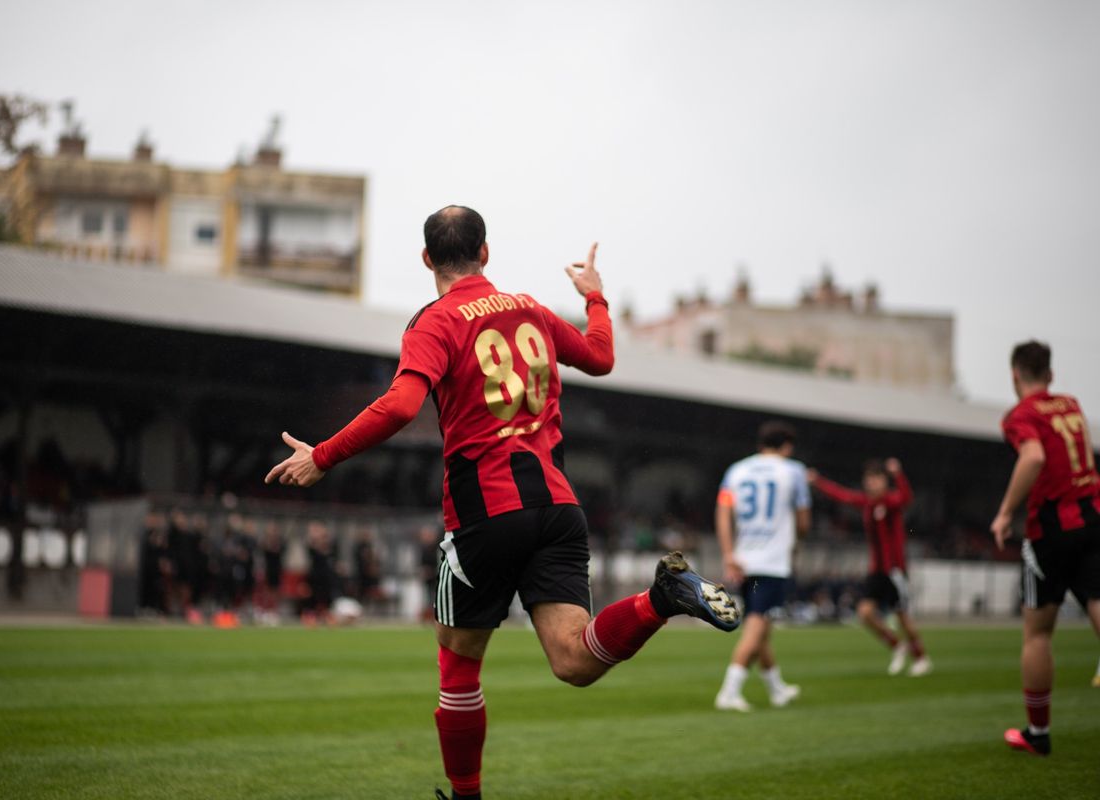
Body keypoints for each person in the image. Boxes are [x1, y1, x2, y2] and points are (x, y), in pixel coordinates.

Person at [264, 206, 740, 800]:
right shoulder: (531, 309)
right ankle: (659, 599)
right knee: (573, 660)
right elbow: (600, 357)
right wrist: (595, 298)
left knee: (459, 668)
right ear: (485, 252)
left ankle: (466, 798)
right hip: (559, 510)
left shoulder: (435, 323)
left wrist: (323, 456)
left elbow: (401, 406)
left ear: (426, 259)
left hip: (485, 514)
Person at [990, 340, 1100, 756]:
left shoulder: (1021, 414)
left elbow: (1034, 457)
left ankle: (1038, 733)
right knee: (1097, 599)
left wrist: (1004, 513)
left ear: (1015, 375)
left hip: (1051, 528)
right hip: (1094, 516)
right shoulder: (1070, 404)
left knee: (1037, 633)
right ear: (1051, 375)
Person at [713, 420, 811, 712]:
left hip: (744, 559)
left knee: (761, 625)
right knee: (757, 625)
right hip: (772, 562)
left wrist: (729, 553)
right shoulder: (794, 471)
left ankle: (776, 688)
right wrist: (796, 542)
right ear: (787, 446)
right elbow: (804, 521)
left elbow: (723, 513)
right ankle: (729, 691)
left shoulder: (737, 470)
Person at [809, 457, 931, 677]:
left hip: (894, 571)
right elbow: (842, 495)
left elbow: (906, 497)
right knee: (864, 613)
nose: (872, 483)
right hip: (877, 570)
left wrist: (898, 474)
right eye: (869, 479)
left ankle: (921, 658)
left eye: (876, 479)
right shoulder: (867, 503)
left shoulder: (891, 502)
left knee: (902, 617)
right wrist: (818, 481)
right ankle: (897, 645)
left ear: (885, 481)